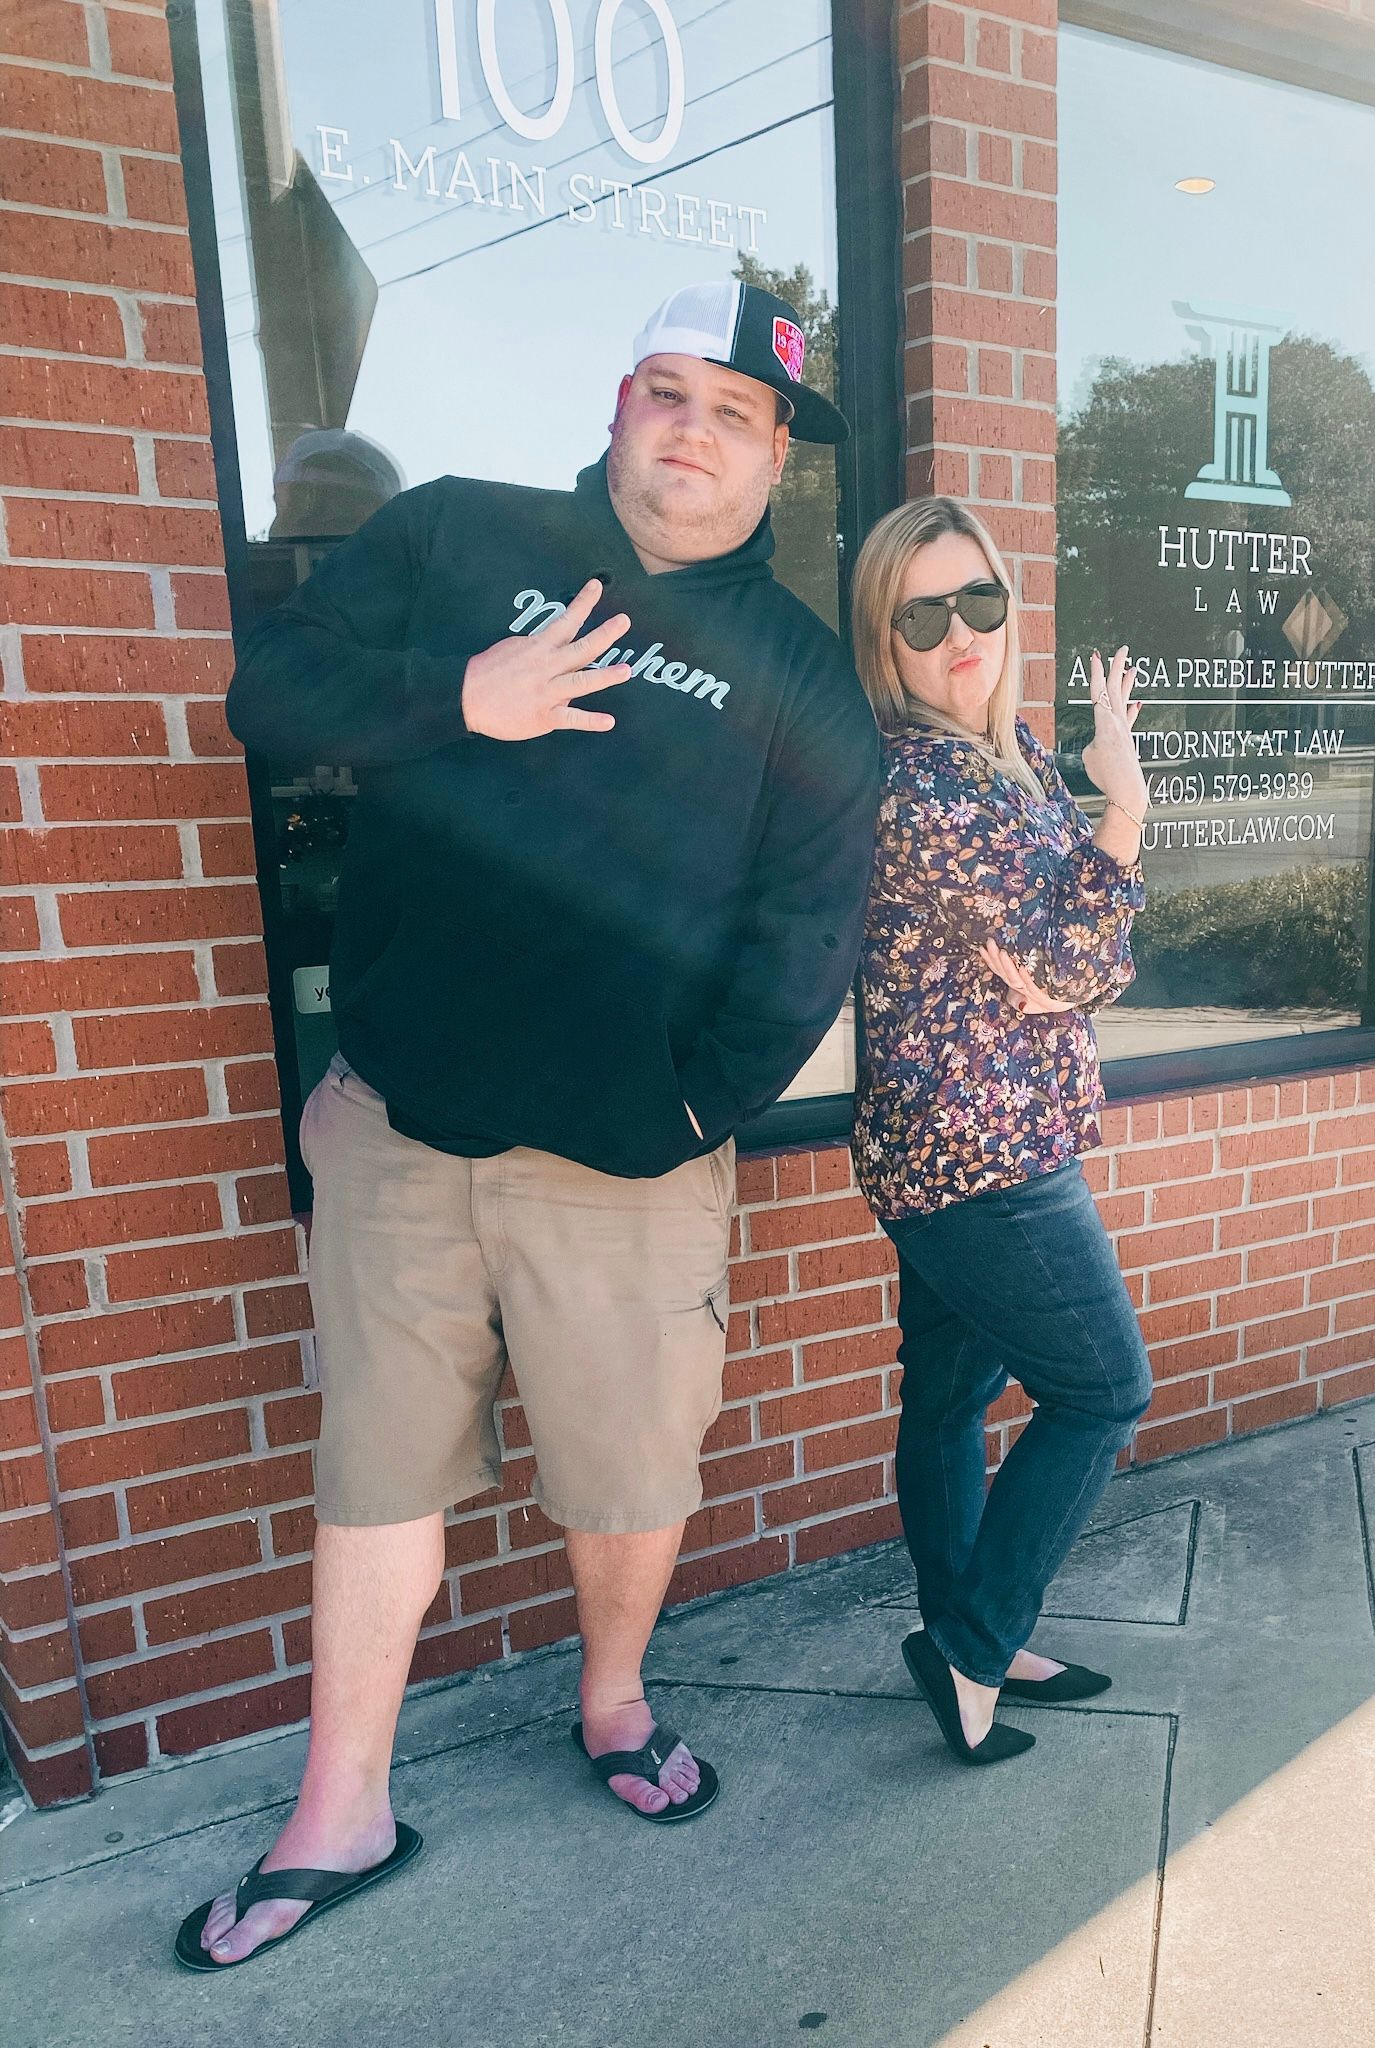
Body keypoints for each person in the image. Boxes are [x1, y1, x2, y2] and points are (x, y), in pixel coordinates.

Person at [175, 280, 880, 1969]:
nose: (693, 430)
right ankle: (338, 1806)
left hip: (626, 1166)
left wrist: (690, 1107)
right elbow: (271, 694)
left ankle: (613, 1701)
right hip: (402, 1130)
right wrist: (457, 697)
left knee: (627, 1474)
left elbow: (808, 933)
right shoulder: (454, 536)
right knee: (374, 1471)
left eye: (734, 411)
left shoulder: (798, 676)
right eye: (666, 391)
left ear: (775, 456)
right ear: (618, 402)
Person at [848, 496, 1153, 1766]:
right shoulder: (924, 781)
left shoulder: (1006, 752)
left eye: (976, 599)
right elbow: (1074, 957)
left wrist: (1081, 926)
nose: (959, 632)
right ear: (885, 641)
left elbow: (1084, 963)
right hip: (986, 1158)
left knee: (949, 1398)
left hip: (955, 1144)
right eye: (922, 614)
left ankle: (961, 1630)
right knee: (1103, 1387)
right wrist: (1122, 809)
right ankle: (974, 1646)